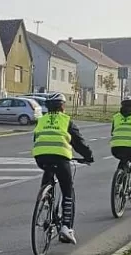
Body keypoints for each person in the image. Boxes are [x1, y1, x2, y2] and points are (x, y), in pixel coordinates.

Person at [32, 93, 94, 244]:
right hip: (60, 158)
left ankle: (44, 199)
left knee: (48, 175)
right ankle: (66, 228)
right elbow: (78, 142)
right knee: (67, 190)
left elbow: (36, 139)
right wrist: (88, 156)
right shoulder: (66, 120)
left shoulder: (41, 120)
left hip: (41, 157)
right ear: (62, 106)